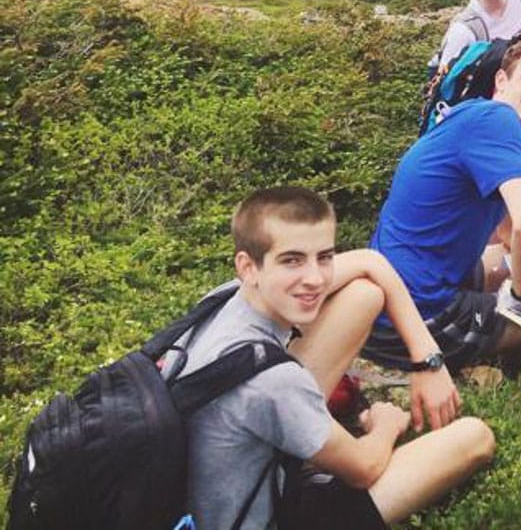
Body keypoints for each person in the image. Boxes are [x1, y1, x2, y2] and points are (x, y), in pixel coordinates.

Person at [173, 187, 493, 530]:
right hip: (266, 518)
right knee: (474, 437)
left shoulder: (223, 299)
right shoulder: (274, 383)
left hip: (197, 492)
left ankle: (309, 437)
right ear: (248, 266)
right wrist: (385, 425)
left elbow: (370, 263)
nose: (314, 278)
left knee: (364, 294)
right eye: (292, 260)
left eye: (324, 256)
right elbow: (363, 469)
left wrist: (428, 361)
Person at [365, 38, 521, 376]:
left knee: (508, 265)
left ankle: (515, 375)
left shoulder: (470, 115)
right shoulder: (499, 123)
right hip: (421, 319)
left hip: (387, 302)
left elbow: (510, 237)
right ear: (501, 81)